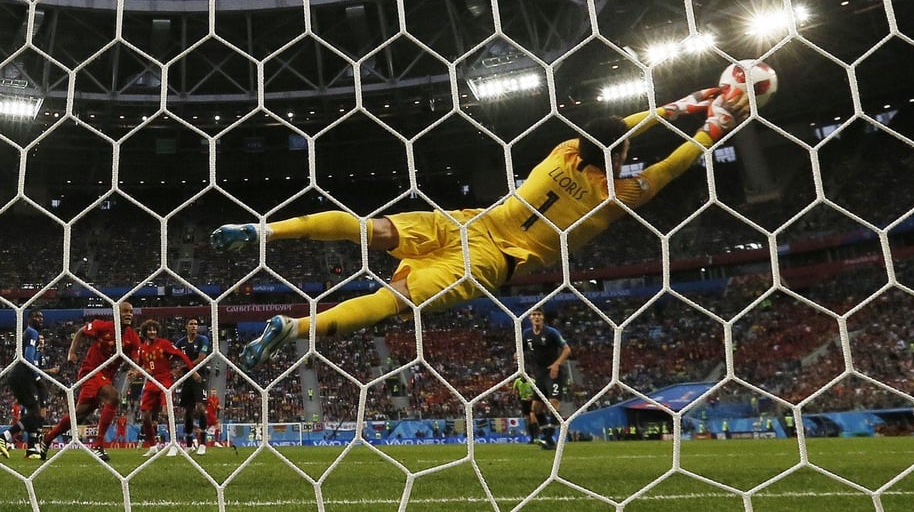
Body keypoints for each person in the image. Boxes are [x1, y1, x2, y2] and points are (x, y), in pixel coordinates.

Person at [209, 87, 751, 370]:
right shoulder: (621, 192)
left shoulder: (562, 152)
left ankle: (267, 232)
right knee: (394, 299)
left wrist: (681, 103)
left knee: (368, 229)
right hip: (491, 262)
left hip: (466, 224)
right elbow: (674, 164)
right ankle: (295, 328)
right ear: (620, 155)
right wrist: (714, 123)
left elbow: (615, 131)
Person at [39, 302, 142, 462]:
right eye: (125, 311)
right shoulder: (102, 326)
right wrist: (72, 352)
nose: (129, 314)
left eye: (131, 312)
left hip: (105, 377)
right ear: (116, 313)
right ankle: (98, 445)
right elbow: (81, 332)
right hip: (90, 372)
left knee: (78, 416)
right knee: (114, 397)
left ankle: (48, 438)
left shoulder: (133, 337)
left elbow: (136, 359)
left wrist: (134, 371)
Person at [135, 319, 193, 457]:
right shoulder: (142, 349)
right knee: (145, 417)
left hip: (165, 381)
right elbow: (140, 367)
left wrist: (191, 370)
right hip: (150, 383)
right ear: (145, 332)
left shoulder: (164, 344)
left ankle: (174, 443)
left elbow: (180, 354)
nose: (152, 332)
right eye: (149, 329)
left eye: (154, 329)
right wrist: (135, 373)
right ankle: (153, 446)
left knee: (167, 412)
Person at [0, 309, 49, 459]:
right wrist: (37, 378)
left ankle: (32, 448)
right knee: (36, 412)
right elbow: (27, 358)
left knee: (35, 412)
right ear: (28, 319)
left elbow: (33, 360)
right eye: (36, 316)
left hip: (18, 374)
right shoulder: (32, 332)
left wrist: (40, 354)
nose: (39, 319)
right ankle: (4, 437)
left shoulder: (31, 335)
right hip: (22, 374)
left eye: (41, 317)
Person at [522, 308, 571, 450]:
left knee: (553, 402)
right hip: (539, 375)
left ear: (543, 317)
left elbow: (567, 349)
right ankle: (547, 438)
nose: (536, 317)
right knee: (535, 409)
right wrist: (517, 355)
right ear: (530, 318)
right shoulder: (526, 334)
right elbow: (521, 350)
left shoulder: (551, 332)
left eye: (539, 314)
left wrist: (556, 364)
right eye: (534, 315)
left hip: (553, 373)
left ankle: (548, 437)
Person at [174, 318, 211, 454]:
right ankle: (189, 445)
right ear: (186, 326)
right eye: (191, 324)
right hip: (187, 379)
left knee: (201, 407)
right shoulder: (181, 342)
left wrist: (183, 366)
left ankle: (203, 443)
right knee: (188, 411)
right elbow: (172, 354)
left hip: (200, 377)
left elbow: (202, 358)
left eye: (196, 324)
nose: (194, 326)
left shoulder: (203, 340)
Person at [511, 373, 539, 444]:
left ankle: (536, 437)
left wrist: (532, 397)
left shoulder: (532, 381)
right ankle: (532, 438)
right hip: (523, 401)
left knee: (532, 417)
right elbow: (514, 391)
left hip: (532, 401)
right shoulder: (517, 381)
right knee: (528, 419)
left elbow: (537, 392)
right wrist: (515, 395)